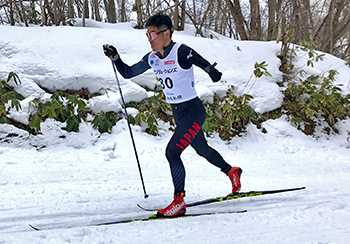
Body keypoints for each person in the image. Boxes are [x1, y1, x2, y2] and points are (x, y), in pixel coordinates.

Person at [103, 13, 242, 218]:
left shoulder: (180, 51)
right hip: (179, 114)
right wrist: (115, 58)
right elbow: (128, 73)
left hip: (193, 112)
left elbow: (197, 59)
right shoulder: (152, 58)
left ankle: (179, 201)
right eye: (147, 36)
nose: (150, 40)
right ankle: (232, 171)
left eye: (152, 35)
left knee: (172, 152)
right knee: (202, 149)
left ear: (166, 34)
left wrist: (211, 70)